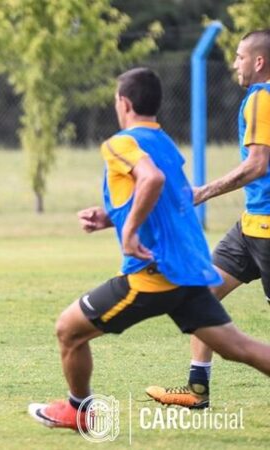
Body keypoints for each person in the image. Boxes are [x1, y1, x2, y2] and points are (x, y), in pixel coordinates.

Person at [28, 67, 270, 431]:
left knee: (68, 330)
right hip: (189, 274)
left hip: (153, 276)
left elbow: (151, 180)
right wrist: (111, 217)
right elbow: (170, 198)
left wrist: (129, 232)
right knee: (240, 348)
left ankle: (79, 410)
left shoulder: (120, 143)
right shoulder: (164, 143)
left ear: (124, 103)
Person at [146, 29, 270, 409]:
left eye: (239, 57)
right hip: (251, 225)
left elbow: (257, 164)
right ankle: (197, 390)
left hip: (267, 228)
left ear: (259, 61)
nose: (234, 64)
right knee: (201, 294)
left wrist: (203, 192)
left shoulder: (261, 98)